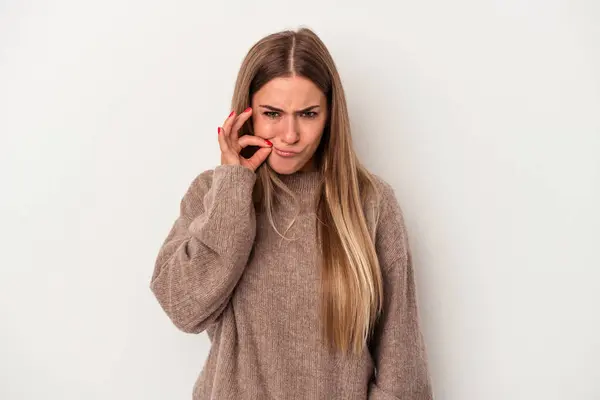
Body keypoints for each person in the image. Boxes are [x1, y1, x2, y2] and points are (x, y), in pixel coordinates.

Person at [150, 27, 434, 399]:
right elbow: (184, 308)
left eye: (308, 114)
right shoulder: (214, 193)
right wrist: (234, 186)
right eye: (272, 113)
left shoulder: (370, 203)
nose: (289, 134)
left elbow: (402, 367)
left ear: (330, 115)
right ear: (246, 113)